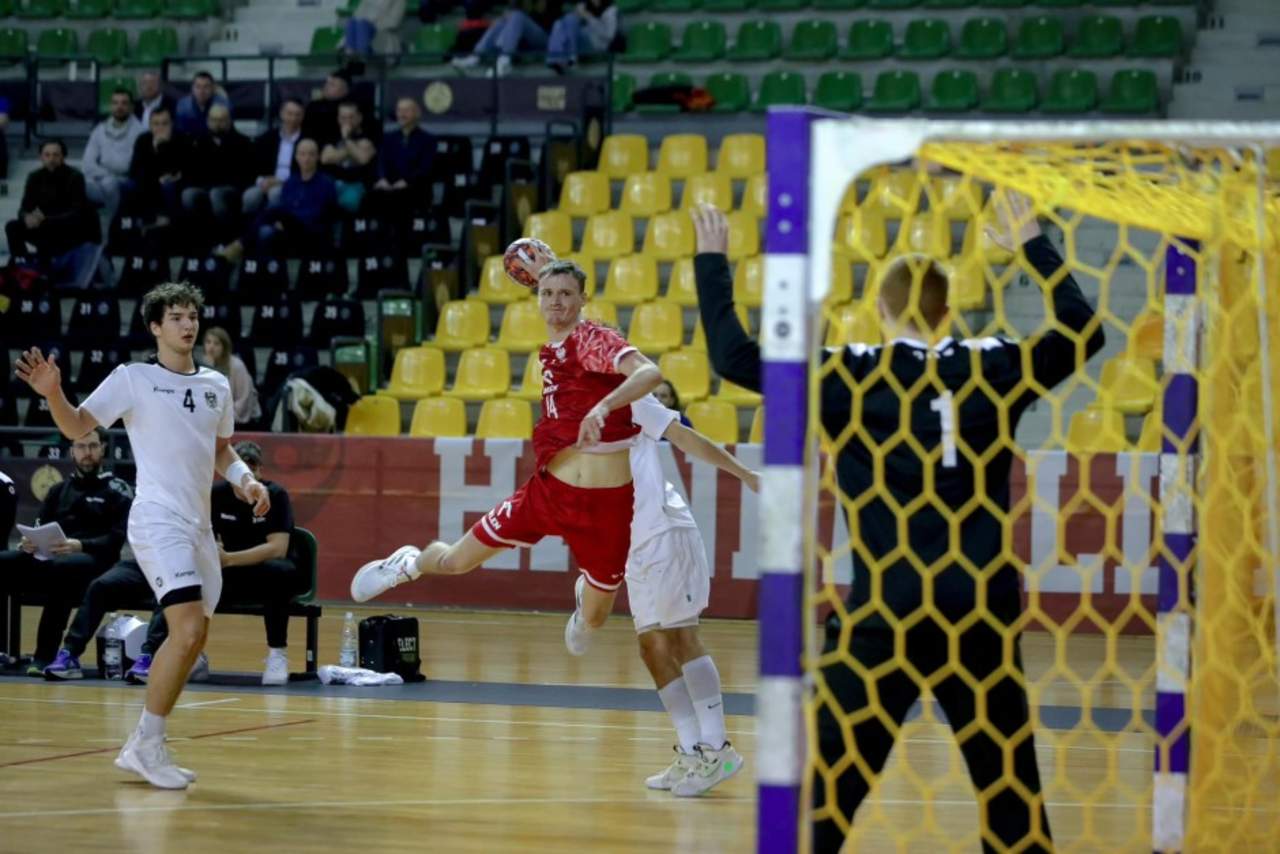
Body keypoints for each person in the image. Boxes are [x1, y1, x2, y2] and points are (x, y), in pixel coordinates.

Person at [693, 197, 1104, 852]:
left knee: (829, 793)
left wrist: (712, 261)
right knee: (1010, 795)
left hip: (889, 609)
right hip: (979, 609)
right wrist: (1032, 242)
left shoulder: (854, 374)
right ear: (948, 312)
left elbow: (733, 358)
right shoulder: (993, 365)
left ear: (881, 312)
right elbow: (1084, 331)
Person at [14, 281, 270, 790]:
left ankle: (144, 743)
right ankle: (146, 745)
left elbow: (221, 449)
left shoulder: (217, 384)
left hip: (200, 528)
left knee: (193, 638)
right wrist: (54, 394)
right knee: (187, 629)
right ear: (155, 327)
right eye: (176, 317)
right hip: (157, 519)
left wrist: (246, 481)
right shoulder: (133, 378)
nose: (188, 324)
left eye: (192, 315)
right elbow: (77, 425)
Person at [350, 259, 664, 644]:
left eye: (566, 294)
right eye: (547, 293)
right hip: (549, 493)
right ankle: (408, 564)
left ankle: (585, 599)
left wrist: (603, 406)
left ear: (583, 300)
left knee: (595, 621)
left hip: (606, 506)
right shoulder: (553, 351)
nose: (555, 301)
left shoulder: (592, 338)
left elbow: (650, 373)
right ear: (537, 299)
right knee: (454, 562)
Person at [607, 392, 755, 796]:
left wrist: (745, 473)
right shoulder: (568, 415)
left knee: (680, 636)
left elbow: (686, 437)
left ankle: (719, 750)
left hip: (664, 529)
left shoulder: (629, 397)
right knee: (651, 647)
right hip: (632, 542)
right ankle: (692, 752)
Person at [140, 441, 303, 685]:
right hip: (227, 574)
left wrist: (229, 559)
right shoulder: (215, 495)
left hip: (262, 576)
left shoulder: (275, 495)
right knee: (184, 575)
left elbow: (277, 549)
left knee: (278, 570)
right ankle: (187, 654)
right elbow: (197, 536)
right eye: (242, 471)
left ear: (260, 471)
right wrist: (210, 554)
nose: (247, 479)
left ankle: (277, 654)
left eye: (253, 470)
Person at [0, 427, 131, 674]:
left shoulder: (117, 489)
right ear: (71, 451)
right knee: (4, 561)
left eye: (93, 446)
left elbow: (115, 539)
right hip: (51, 558)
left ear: (103, 449)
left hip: (95, 563)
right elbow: (39, 526)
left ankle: (44, 655)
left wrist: (79, 545)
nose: (87, 452)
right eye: (80, 447)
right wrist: (28, 542)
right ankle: (2, 652)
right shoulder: (59, 489)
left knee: (64, 567)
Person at [218, 139, 338, 264]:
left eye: (311, 154)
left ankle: (239, 245)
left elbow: (319, 214)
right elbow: (285, 210)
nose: (306, 158)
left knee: (275, 206)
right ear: (296, 157)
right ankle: (260, 268)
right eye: (302, 154)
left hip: (313, 231)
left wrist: (288, 219)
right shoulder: (291, 182)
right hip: (291, 229)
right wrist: (281, 222)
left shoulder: (327, 183)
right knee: (265, 231)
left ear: (317, 157)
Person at [5, 139, 101, 264]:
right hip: (43, 225)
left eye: (56, 155)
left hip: (67, 228)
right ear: (41, 157)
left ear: (63, 157)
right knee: (12, 227)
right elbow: (24, 207)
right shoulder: (34, 177)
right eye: (47, 155)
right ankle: (22, 263)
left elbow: (76, 211)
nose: (51, 159)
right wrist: (27, 217)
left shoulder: (75, 176)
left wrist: (45, 219)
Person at [362, 97, 433, 251]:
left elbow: (426, 168)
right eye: (399, 110)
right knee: (371, 196)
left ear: (417, 113)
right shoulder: (388, 138)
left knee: (397, 199)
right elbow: (382, 161)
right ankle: (375, 246)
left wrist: (407, 181)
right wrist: (382, 179)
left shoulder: (428, 139)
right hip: (390, 184)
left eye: (406, 111)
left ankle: (398, 247)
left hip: (415, 185)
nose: (401, 114)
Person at [181, 105, 254, 244]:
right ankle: (196, 241)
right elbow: (192, 172)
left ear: (229, 121)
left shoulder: (242, 143)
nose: (217, 124)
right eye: (214, 120)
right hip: (205, 187)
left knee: (216, 194)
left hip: (232, 190)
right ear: (208, 121)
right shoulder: (199, 143)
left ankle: (224, 241)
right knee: (188, 194)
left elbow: (245, 175)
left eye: (221, 120)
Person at [82, 88, 144, 228]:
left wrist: (105, 170)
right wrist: (108, 174)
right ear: (110, 106)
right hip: (100, 180)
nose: (119, 107)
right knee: (76, 186)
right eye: (115, 103)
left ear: (131, 107)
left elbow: (127, 165)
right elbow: (87, 165)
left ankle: (112, 228)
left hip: (126, 182)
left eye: (124, 103)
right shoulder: (99, 130)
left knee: (110, 184)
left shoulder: (140, 132)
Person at [451, 0, 561, 77]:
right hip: (522, 38)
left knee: (517, 16)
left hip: (546, 39)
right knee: (502, 20)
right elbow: (510, 11)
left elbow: (543, 12)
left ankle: (504, 61)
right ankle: (474, 57)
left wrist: (528, 8)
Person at [123, 107, 191, 231]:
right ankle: (128, 226)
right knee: (130, 185)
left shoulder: (182, 140)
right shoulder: (143, 140)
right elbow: (135, 169)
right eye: (156, 124)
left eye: (164, 123)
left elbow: (180, 170)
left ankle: (165, 223)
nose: (160, 128)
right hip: (148, 181)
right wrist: (155, 149)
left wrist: (164, 148)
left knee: (168, 185)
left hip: (174, 184)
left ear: (171, 124)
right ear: (150, 125)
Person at [244, 98, 304, 216]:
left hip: (293, 184)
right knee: (250, 196)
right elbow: (253, 165)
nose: (293, 119)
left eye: (297, 115)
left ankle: (272, 224)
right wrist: (262, 181)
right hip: (267, 181)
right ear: (282, 114)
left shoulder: (307, 140)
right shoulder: (267, 138)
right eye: (290, 114)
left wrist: (280, 182)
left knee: (275, 193)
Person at [320, 100, 377, 213]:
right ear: (338, 119)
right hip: (332, 183)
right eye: (343, 118)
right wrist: (352, 150)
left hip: (356, 184)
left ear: (359, 118)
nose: (347, 121)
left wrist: (346, 139)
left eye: (351, 117)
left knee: (347, 203)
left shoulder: (369, 136)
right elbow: (326, 159)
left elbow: (363, 159)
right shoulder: (332, 136)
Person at [202, 326, 260, 426]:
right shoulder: (204, 367)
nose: (211, 347)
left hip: (242, 421)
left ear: (224, 347)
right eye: (208, 342)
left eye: (216, 343)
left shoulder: (237, 366)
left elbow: (243, 402)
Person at [545, 0, 617, 73]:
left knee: (564, 23)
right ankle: (564, 60)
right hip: (583, 38)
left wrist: (587, 17)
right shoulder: (588, 5)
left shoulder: (609, 10)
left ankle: (558, 59)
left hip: (597, 43)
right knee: (560, 23)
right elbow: (581, 24)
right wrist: (578, 15)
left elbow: (608, 35)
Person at [174, 71, 231, 141]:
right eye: (198, 86)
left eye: (206, 87)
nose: (202, 91)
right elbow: (180, 132)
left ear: (213, 88)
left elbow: (228, 131)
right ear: (192, 88)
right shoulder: (183, 106)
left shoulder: (224, 105)